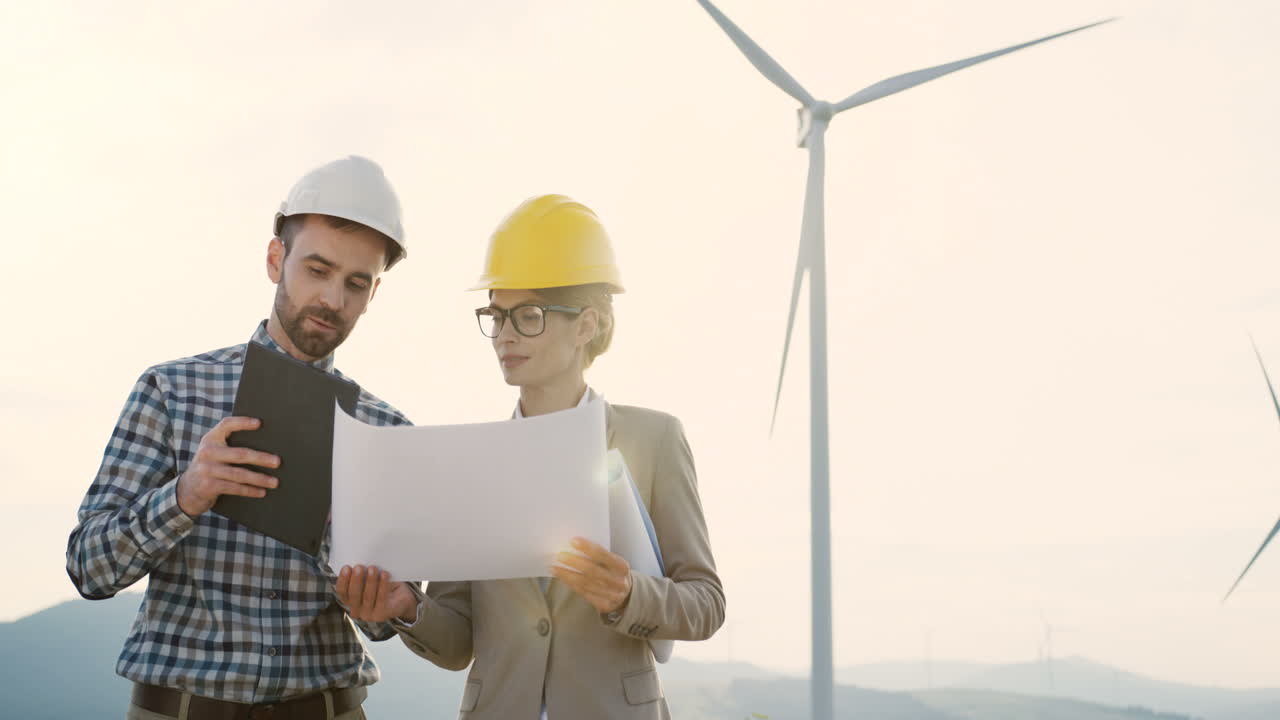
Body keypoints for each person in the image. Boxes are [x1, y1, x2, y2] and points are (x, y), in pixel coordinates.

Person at [336, 195, 725, 719]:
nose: (505, 335)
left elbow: (705, 603)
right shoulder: (473, 460)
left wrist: (627, 593)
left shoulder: (653, 438)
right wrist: (407, 607)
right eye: (495, 316)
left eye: (529, 315)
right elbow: (457, 642)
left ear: (586, 324)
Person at [66, 155, 413, 720]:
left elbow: (382, 622)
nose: (333, 300)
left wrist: (361, 568)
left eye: (356, 283)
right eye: (317, 270)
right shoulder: (172, 390)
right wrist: (186, 495)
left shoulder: (386, 432)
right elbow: (89, 567)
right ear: (276, 259)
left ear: (373, 294)